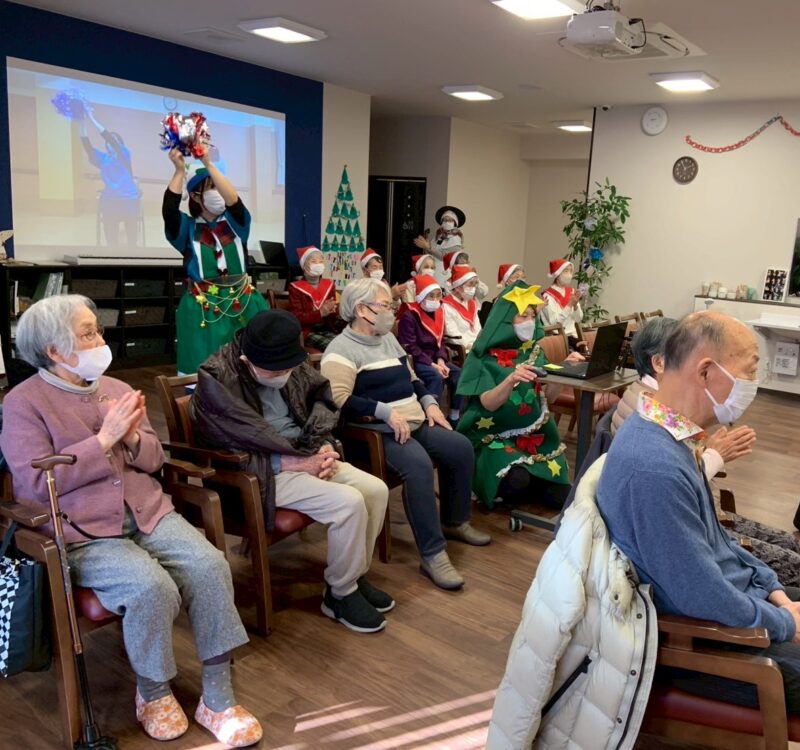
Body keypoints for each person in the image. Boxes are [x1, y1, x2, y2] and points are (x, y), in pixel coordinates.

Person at [600, 310, 800, 749]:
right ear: (706, 372)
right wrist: (783, 623)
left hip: (724, 607)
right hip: (700, 644)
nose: (753, 384)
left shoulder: (671, 435)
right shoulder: (653, 467)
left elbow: (718, 543)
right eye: (749, 372)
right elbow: (699, 596)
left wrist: (774, 590)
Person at [0, 295, 262, 747]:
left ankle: (217, 696)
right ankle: (153, 691)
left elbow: (154, 460)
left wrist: (134, 437)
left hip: (146, 510)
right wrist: (104, 439)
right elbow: (36, 482)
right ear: (54, 350)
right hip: (81, 529)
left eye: (97, 330)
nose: (100, 340)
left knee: (209, 565)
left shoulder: (116, 387)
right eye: (88, 333)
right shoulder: (23, 403)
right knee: (150, 587)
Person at [192, 310, 392, 633]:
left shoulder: (286, 357)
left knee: (375, 491)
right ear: (245, 360)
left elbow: (319, 403)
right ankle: (340, 595)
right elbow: (229, 451)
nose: (285, 374)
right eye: (276, 371)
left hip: (304, 453)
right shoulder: (217, 381)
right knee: (348, 504)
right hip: (261, 474)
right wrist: (292, 463)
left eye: (288, 368)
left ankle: (351, 577)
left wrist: (323, 444)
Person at [611, 316, 800, 588]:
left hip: (701, 517)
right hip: (694, 527)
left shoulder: (659, 408)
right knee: (792, 565)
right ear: (659, 362)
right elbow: (671, 485)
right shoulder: (648, 415)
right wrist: (715, 456)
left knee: (789, 546)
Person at [322, 278, 490, 591]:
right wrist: (384, 412)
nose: (393, 311)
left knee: (460, 447)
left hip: (412, 421)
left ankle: (454, 521)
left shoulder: (387, 338)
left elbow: (411, 377)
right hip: (375, 432)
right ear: (362, 310)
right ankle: (433, 554)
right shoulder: (340, 350)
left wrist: (429, 402)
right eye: (386, 305)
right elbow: (338, 399)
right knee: (419, 466)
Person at [457, 282, 585, 509]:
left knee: (562, 495)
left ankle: (531, 482)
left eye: (532, 316)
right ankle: (518, 481)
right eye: (522, 316)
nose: (529, 321)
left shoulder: (534, 352)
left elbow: (549, 398)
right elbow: (488, 403)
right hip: (493, 435)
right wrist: (510, 380)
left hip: (534, 436)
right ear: (506, 319)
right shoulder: (482, 357)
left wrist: (564, 372)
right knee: (517, 480)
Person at [163, 147, 268, 374]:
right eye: (211, 188)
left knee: (251, 367)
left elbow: (234, 201)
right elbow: (169, 210)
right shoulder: (187, 228)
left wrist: (209, 164)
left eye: (219, 187)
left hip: (243, 303)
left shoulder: (236, 223)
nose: (217, 193)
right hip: (204, 308)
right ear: (195, 196)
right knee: (204, 370)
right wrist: (179, 171)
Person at [397, 275, 462, 424]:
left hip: (435, 359)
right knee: (436, 376)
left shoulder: (439, 313)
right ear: (421, 296)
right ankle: (430, 417)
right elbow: (410, 346)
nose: (435, 300)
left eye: (438, 295)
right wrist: (432, 364)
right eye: (431, 296)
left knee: (459, 374)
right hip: (418, 360)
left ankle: (454, 416)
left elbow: (441, 341)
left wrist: (441, 360)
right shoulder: (409, 315)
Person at [78, 105, 141, 247]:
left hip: (128, 200)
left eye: (114, 140)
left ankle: (133, 251)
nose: (111, 143)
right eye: (108, 142)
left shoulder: (124, 154)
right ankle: (112, 252)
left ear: (121, 144)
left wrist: (91, 117)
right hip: (110, 201)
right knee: (111, 238)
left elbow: (108, 137)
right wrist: (81, 123)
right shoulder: (104, 159)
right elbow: (87, 145)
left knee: (132, 238)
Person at [287, 246, 340, 351]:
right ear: (304, 266)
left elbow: (333, 317)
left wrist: (334, 310)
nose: (318, 264)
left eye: (321, 261)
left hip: (327, 329)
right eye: (313, 261)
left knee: (345, 345)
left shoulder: (329, 285)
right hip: (307, 332)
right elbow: (297, 318)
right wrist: (320, 313)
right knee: (334, 348)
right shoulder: (295, 288)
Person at [442, 264, 483, 352]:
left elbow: (478, 327)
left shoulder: (471, 303)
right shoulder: (446, 305)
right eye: (470, 284)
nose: (473, 288)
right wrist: (469, 345)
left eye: (474, 284)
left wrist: (480, 342)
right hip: (461, 348)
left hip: (476, 345)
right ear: (458, 286)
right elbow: (452, 333)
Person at [540, 258, 583, 331]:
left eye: (571, 271)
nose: (569, 274)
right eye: (566, 271)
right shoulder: (547, 295)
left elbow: (578, 319)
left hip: (573, 334)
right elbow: (554, 323)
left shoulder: (572, 292)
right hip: (558, 335)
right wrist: (569, 305)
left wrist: (575, 306)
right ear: (558, 274)